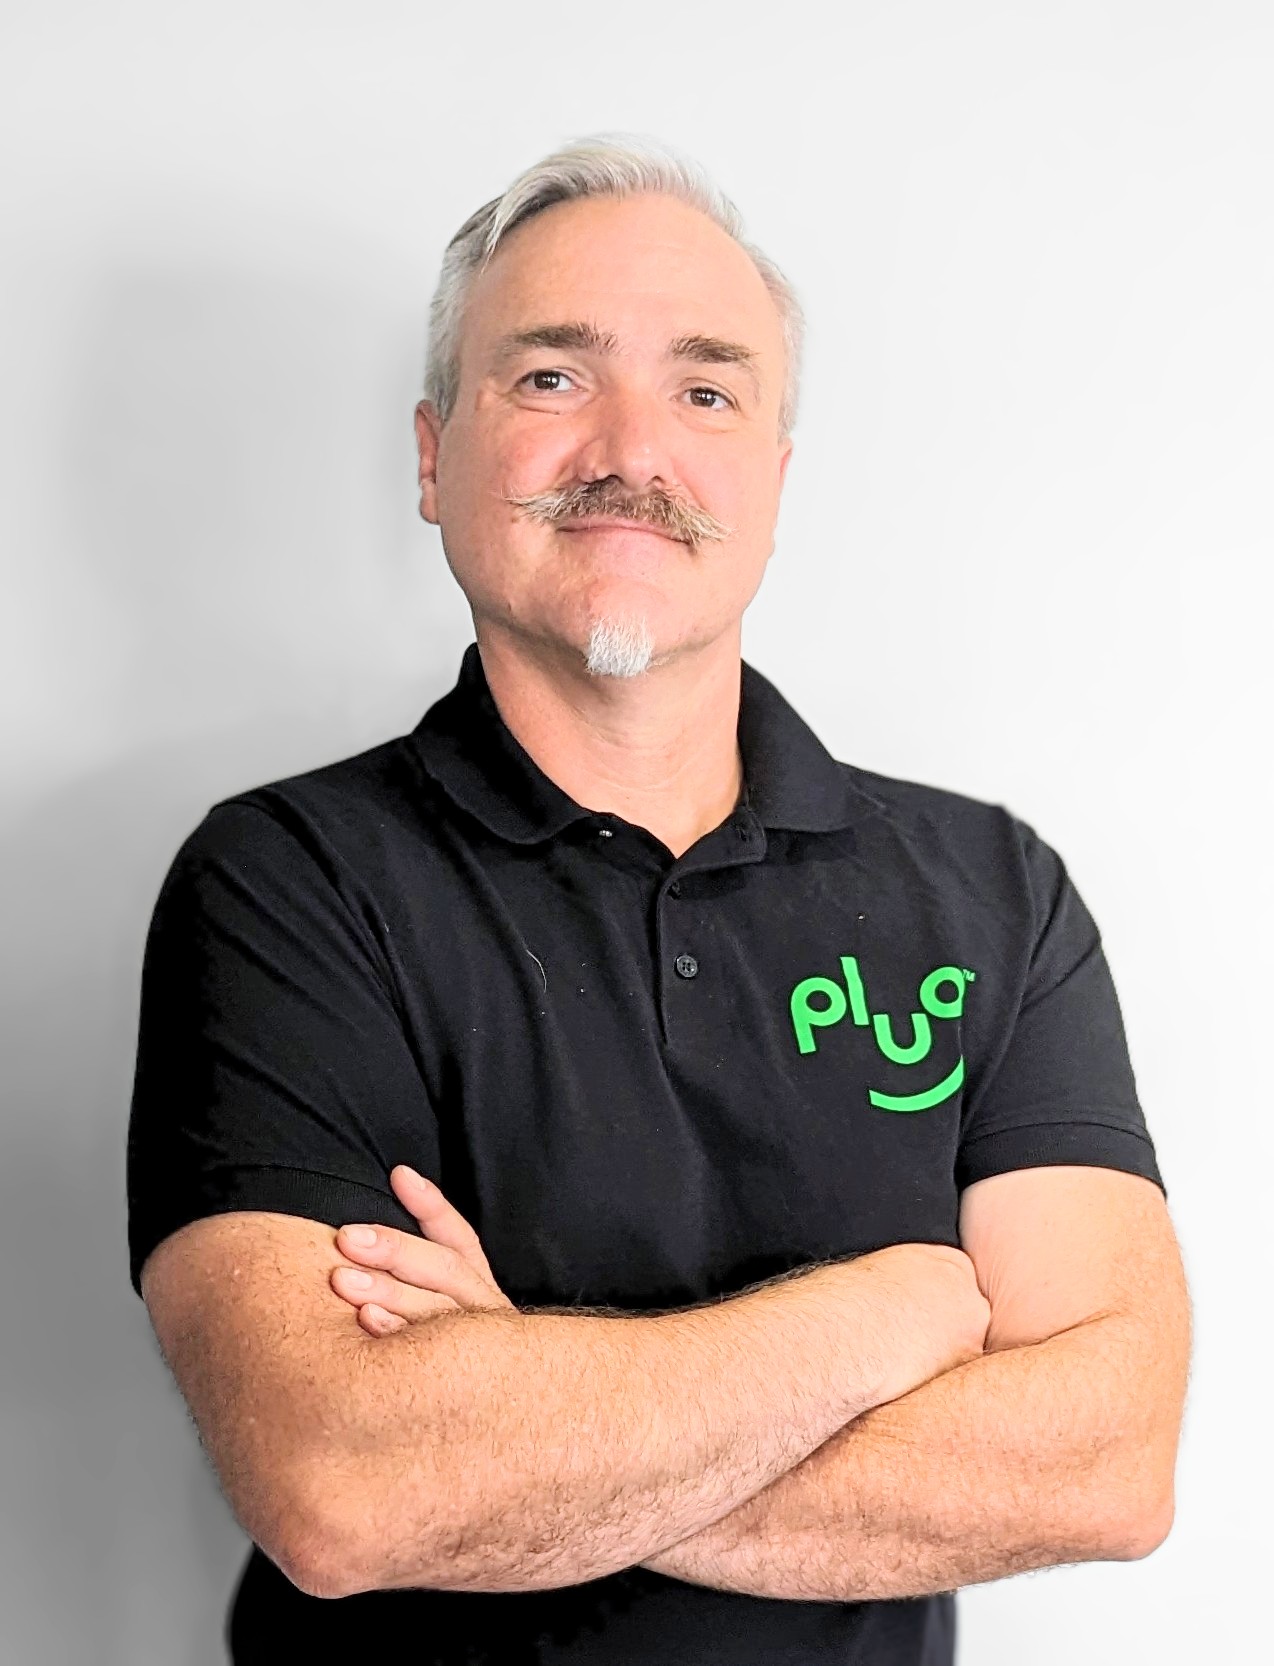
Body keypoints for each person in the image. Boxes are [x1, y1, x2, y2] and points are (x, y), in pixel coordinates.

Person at [126, 134, 1191, 1666]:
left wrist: (509, 1409)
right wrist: (882, 1317)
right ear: (432, 457)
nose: (631, 448)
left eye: (705, 392)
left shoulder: (991, 893)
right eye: (550, 376)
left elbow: (1108, 1462)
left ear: (772, 479)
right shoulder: (286, 883)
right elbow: (342, 1486)